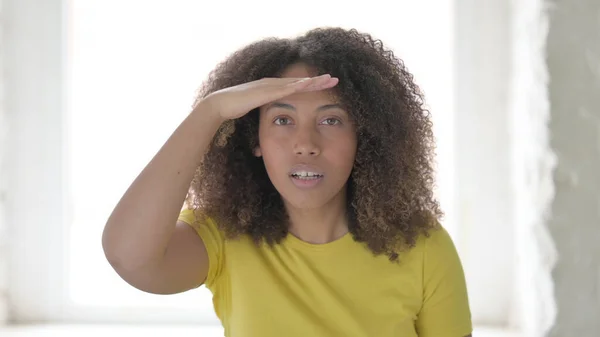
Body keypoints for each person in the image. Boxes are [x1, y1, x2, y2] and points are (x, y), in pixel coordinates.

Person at [102, 27, 472, 337]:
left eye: (331, 120)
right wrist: (211, 111)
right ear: (255, 140)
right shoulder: (224, 236)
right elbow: (129, 258)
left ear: (364, 138)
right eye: (282, 120)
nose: (306, 145)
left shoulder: (422, 246)